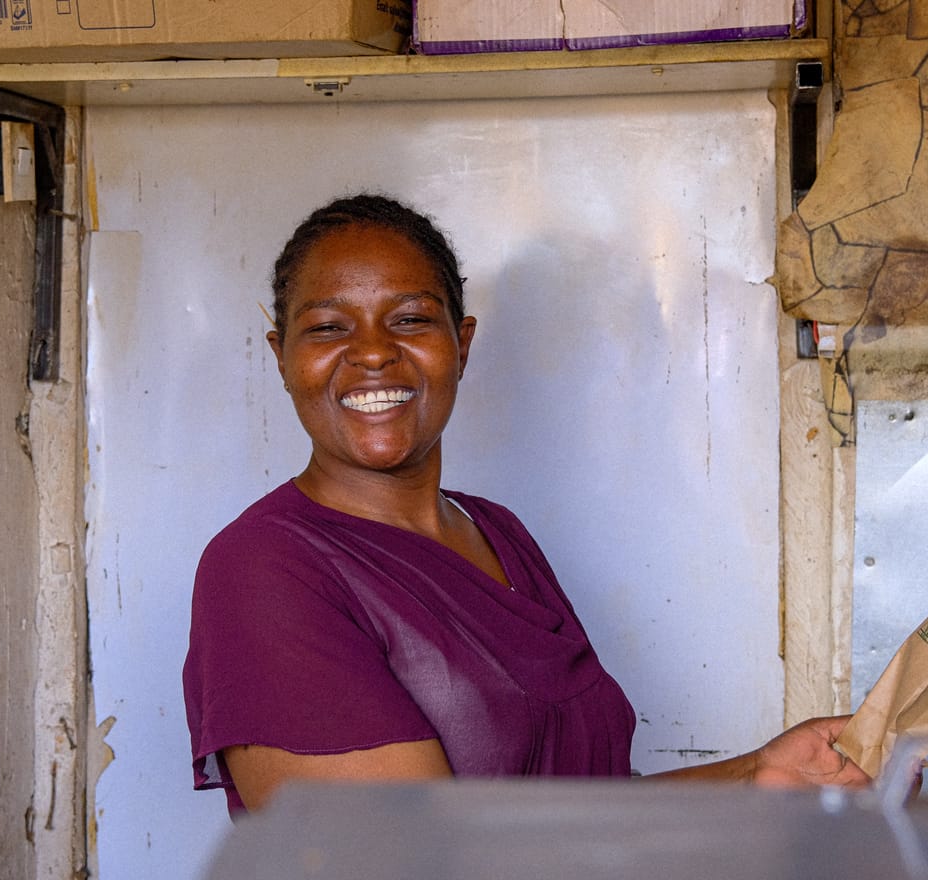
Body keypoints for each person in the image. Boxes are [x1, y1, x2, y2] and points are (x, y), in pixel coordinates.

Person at [183, 193, 870, 814]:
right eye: (329, 328)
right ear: (280, 357)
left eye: (411, 319)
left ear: (462, 344)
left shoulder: (496, 532)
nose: (372, 354)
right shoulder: (264, 570)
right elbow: (404, 861)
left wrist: (760, 777)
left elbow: (575, 810)